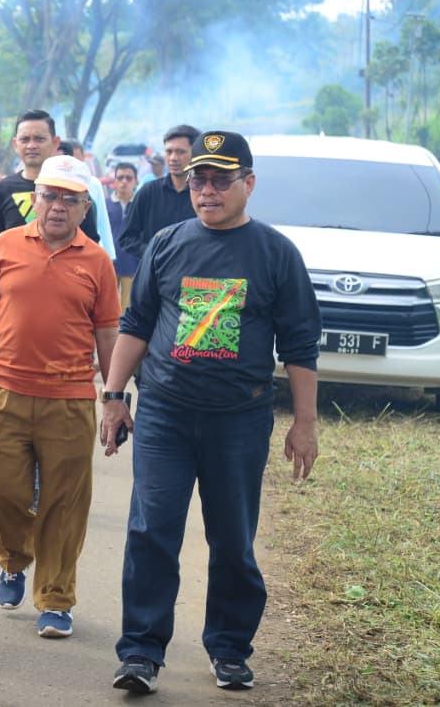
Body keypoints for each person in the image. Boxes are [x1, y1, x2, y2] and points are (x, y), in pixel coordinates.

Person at [98, 130, 321, 695]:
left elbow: (299, 345)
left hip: (238, 422)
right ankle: (141, 652)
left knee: (231, 538)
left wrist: (305, 422)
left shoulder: (275, 254)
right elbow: (137, 323)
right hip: (164, 418)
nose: (208, 190)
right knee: (151, 532)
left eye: (222, 180)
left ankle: (228, 648)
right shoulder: (168, 243)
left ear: (248, 184)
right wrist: (115, 396)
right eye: (199, 179)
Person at [0, 154, 119, 643]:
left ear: (84, 209)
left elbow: (107, 329)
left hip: (71, 397)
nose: (57, 207)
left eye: (70, 200)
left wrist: (114, 396)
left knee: (65, 502)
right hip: (5, 389)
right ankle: (14, 561)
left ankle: (56, 599)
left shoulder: (97, 261)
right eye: (50, 196)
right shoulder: (5, 245)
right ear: (35, 199)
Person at [0, 110, 100, 250]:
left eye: (39, 139)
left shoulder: (75, 187)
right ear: (15, 144)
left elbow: (91, 243)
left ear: (55, 143)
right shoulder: (5, 187)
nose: (31, 145)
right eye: (25, 139)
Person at [117, 125, 200, 262]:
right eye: (169, 152)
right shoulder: (148, 192)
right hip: (155, 276)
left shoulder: (204, 194)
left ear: (195, 154)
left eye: (180, 152)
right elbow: (127, 238)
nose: (173, 158)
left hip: (195, 276)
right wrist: (153, 252)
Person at [56, 140, 115, 262]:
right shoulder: (46, 186)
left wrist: (109, 254)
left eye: (78, 160)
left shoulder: (93, 183)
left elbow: (102, 221)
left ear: (83, 158)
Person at [107, 162, 140, 309]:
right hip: (109, 263)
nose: (124, 182)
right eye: (120, 178)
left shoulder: (141, 204)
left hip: (133, 262)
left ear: (136, 181)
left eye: (128, 178)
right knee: (108, 305)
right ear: (114, 181)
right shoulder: (106, 204)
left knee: (128, 307)